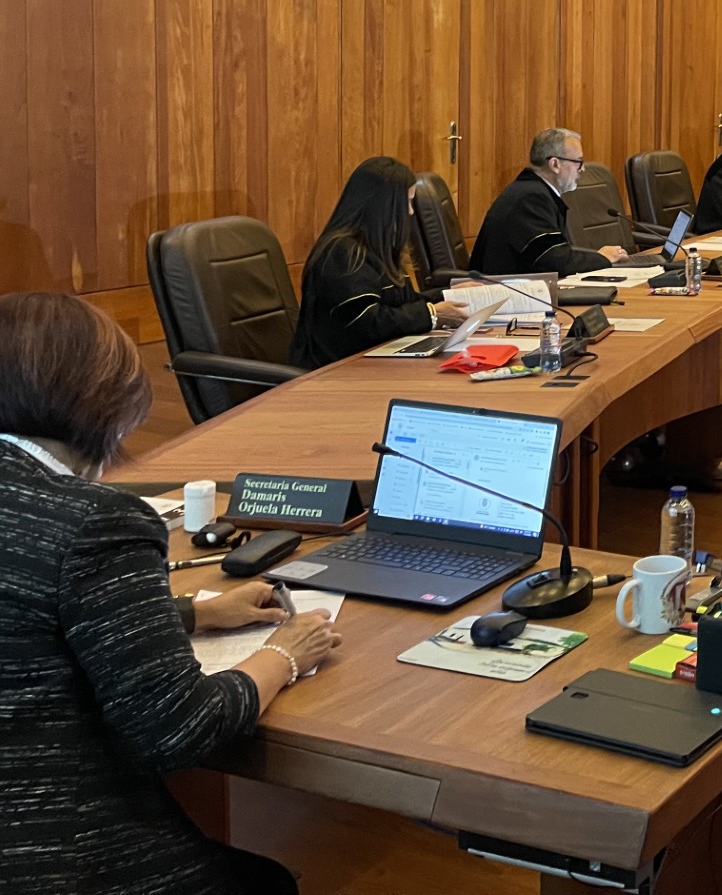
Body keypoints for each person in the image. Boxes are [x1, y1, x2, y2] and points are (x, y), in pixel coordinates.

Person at [0, 291, 343, 894]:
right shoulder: (94, 521)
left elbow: (23, 612)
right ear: (104, 403)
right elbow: (180, 729)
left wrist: (189, 613)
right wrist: (286, 653)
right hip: (51, 850)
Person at [290, 156, 468, 367]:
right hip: (337, 372)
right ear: (385, 206)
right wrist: (431, 314)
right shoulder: (343, 254)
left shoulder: (376, 247)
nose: (411, 212)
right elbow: (367, 322)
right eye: (408, 202)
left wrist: (449, 294)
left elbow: (400, 303)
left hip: (372, 362)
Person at [470, 128, 627, 276]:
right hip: (508, 294)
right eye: (578, 162)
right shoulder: (531, 199)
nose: (582, 169)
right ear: (555, 164)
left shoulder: (533, 190)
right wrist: (602, 258)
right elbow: (555, 261)